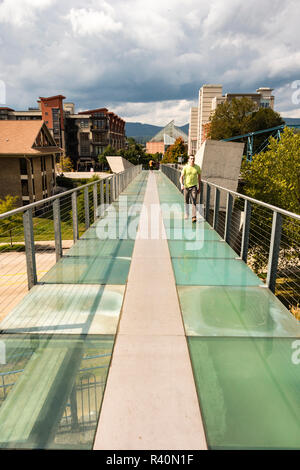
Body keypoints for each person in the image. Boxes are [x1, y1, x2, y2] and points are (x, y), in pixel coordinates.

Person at [180, 156, 201, 223]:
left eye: (193, 159)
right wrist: (181, 184)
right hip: (186, 186)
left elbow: (199, 179)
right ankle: (186, 214)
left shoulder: (197, 167)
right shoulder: (185, 167)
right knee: (186, 201)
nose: (192, 160)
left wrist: (199, 187)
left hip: (194, 186)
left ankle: (194, 217)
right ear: (189, 160)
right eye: (191, 159)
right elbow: (181, 177)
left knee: (194, 201)